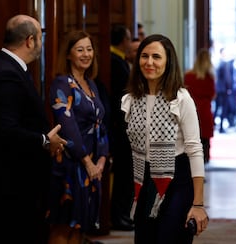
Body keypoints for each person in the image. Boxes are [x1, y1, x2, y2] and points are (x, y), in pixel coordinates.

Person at [0, 14, 67, 244]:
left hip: (15, 186)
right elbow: (5, 131)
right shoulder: (6, 73)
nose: (40, 45)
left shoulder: (9, 67)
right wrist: (45, 140)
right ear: (30, 40)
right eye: (40, 39)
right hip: (9, 190)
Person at [122, 34, 209, 244]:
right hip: (144, 181)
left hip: (177, 179)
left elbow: (195, 150)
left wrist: (198, 204)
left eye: (156, 57)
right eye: (144, 56)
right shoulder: (131, 99)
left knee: (169, 238)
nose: (149, 62)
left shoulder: (180, 99)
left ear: (168, 61)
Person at [47, 30, 109, 243]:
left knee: (79, 227)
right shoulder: (62, 84)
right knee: (63, 225)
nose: (86, 54)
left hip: (91, 166)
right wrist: (87, 161)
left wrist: (101, 159)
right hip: (70, 164)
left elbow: (100, 122)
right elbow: (67, 126)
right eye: (80, 49)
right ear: (68, 55)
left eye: (89, 49)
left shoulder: (91, 84)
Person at [109, 24, 135, 231]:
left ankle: (124, 214)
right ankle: (118, 215)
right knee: (122, 173)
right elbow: (120, 97)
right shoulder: (115, 62)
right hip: (120, 126)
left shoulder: (119, 61)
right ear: (123, 41)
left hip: (123, 125)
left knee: (126, 173)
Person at [184, 48, 216, 164]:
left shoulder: (188, 76)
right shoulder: (209, 78)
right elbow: (212, 95)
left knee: (192, 141)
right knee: (205, 141)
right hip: (205, 111)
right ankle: (202, 167)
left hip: (191, 111)